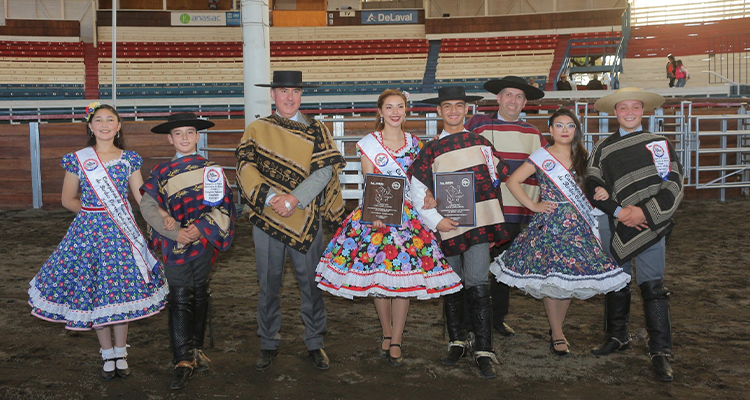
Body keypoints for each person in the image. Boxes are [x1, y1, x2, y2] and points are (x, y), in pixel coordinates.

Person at [316, 89, 462, 367]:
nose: (395, 112)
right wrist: (375, 214)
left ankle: (397, 338)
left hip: (408, 219)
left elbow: (422, 183)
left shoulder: (417, 144)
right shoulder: (369, 144)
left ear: (406, 111)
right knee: (380, 281)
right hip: (377, 216)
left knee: (403, 280)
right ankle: (385, 331)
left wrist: (431, 195)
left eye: (400, 107)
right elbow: (371, 181)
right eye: (390, 107)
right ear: (380, 112)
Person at [28, 102, 169, 380]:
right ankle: (107, 353)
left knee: (119, 291)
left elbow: (140, 198)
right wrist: (95, 213)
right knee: (96, 291)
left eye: (110, 120)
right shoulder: (78, 159)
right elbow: (67, 199)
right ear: (90, 127)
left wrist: (161, 215)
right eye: (99, 120)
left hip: (122, 234)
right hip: (88, 235)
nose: (105, 125)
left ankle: (121, 352)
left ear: (118, 127)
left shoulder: (130, 159)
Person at [489, 108, 631, 356]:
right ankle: (556, 332)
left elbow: (599, 185)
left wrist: (603, 192)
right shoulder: (541, 156)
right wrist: (533, 205)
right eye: (559, 125)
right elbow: (512, 181)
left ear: (576, 130)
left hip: (578, 226)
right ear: (551, 129)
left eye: (570, 125)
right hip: (550, 225)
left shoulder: (585, 157)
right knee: (551, 278)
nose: (564, 130)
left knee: (566, 280)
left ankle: (558, 329)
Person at [236, 70, 346, 371]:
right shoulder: (257, 129)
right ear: (272, 95)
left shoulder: (317, 129)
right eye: (283, 91)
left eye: (295, 91)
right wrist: (273, 198)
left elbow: (324, 171)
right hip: (267, 217)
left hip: (305, 217)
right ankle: (268, 341)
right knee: (268, 284)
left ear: (301, 95)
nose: (289, 97)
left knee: (311, 284)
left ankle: (315, 341)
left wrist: (294, 199)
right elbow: (246, 166)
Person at [409, 86, 512, 379]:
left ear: (466, 109)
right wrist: (434, 219)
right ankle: (456, 341)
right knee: (452, 284)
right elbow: (418, 190)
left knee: (478, 281)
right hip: (447, 228)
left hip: (477, 226)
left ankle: (484, 349)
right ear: (439, 111)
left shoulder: (480, 144)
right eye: (447, 106)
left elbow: (495, 181)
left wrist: (491, 217)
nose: (453, 111)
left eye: (458, 106)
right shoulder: (430, 149)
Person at [587, 87, 684, 382]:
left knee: (652, 284)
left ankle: (661, 351)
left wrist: (645, 212)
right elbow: (593, 184)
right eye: (623, 108)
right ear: (615, 112)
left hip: (650, 224)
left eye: (635, 108)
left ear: (644, 111)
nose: (629, 113)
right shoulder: (602, 148)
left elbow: (674, 182)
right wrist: (619, 211)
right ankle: (617, 336)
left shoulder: (660, 143)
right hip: (614, 222)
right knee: (616, 279)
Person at [140, 113, 236, 390]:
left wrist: (199, 228)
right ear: (170, 139)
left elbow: (223, 206)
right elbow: (148, 207)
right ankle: (182, 358)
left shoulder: (211, 170)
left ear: (197, 136)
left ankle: (196, 349)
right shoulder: (160, 173)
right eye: (178, 134)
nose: (184, 138)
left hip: (203, 241)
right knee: (180, 295)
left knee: (200, 290)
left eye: (189, 132)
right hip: (174, 244)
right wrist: (175, 232)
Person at [465, 75, 547, 338]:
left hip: (517, 212)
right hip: (482, 211)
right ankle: (471, 321)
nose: (513, 101)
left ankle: (497, 318)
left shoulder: (533, 133)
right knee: (476, 269)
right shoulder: (477, 125)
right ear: (498, 98)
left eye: (519, 97)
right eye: (508, 95)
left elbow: (547, 171)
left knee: (503, 269)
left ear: (525, 103)